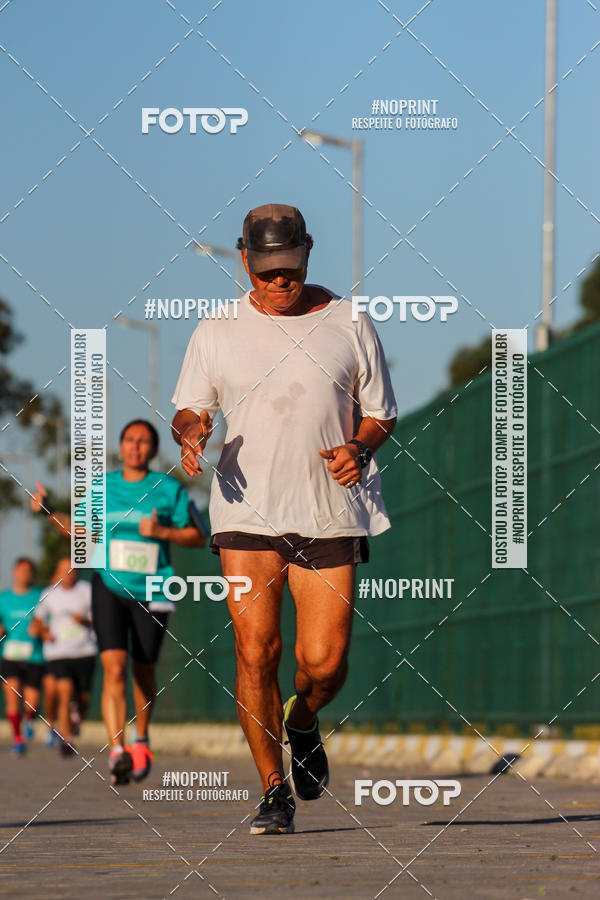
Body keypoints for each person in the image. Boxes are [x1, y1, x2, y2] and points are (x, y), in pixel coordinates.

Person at [171, 203, 397, 834]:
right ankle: (274, 790)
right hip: (245, 512)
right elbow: (188, 408)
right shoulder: (217, 329)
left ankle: (303, 719)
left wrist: (360, 447)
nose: (280, 280)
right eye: (267, 269)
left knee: (324, 663)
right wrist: (191, 431)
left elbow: (381, 412)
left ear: (307, 254)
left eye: (290, 268)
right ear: (245, 259)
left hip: (330, 511)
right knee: (255, 651)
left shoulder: (349, 321)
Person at [31, 419, 205, 783]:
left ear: (153, 449)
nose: (135, 446)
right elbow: (77, 529)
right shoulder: (102, 486)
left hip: (153, 589)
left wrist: (162, 531)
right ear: (121, 446)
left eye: (143, 441)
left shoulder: (168, 488)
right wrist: (48, 510)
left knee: (143, 671)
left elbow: (197, 535)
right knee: (113, 668)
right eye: (129, 440)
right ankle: (117, 751)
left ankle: (141, 739)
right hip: (108, 585)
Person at [31, 558, 98, 756]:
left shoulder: (87, 590)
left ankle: (77, 720)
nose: (68, 574)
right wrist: (44, 632)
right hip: (58, 652)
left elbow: (101, 619)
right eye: (63, 570)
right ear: (57, 573)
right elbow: (38, 620)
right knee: (64, 692)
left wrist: (83, 620)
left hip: (85, 651)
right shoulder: (49, 593)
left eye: (71, 570)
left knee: (84, 697)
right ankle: (67, 739)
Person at [0, 557, 44, 755]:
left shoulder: (40, 596)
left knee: (31, 703)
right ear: (14, 572)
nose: (24, 574)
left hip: (34, 655)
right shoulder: (4, 598)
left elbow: (47, 620)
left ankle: (29, 719)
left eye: (28, 571)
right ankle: (18, 739)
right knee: (12, 694)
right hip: (10, 654)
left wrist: (40, 628)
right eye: (21, 570)